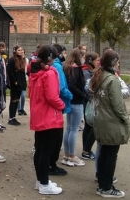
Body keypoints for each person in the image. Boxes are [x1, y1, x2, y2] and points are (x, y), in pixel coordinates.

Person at [89, 50, 129, 198]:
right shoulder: (111, 80)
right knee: (111, 155)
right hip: (111, 123)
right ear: (113, 63)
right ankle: (106, 187)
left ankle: (103, 185)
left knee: (105, 154)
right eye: (117, 61)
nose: (118, 64)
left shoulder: (100, 76)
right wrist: (126, 119)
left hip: (101, 121)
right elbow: (118, 106)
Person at [29, 45, 64, 195]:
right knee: (46, 152)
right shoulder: (49, 73)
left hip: (39, 115)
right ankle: (44, 183)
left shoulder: (34, 71)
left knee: (40, 150)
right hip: (50, 117)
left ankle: (41, 180)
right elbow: (52, 96)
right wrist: (61, 105)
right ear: (50, 58)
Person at [49, 43, 73, 176]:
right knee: (56, 137)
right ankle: (52, 164)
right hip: (57, 106)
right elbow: (62, 87)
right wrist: (70, 97)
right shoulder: (57, 66)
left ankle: (51, 163)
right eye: (64, 53)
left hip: (53, 106)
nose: (65, 55)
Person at [62, 48, 87, 166]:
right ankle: (71, 155)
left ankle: (67, 155)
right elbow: (73, 85)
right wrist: (83, 95)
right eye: (83, 57)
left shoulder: (68, 67)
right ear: (79, 57)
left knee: (69, 128)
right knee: (74, 129)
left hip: (70, 101)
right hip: (76, 102)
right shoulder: (76, 69)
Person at [81, 51, 100, 160]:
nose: (98, 62)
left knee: (89, 126)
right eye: (96, 60)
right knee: (92, 125)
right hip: (89, 101)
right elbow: (88, 88)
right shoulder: (86, 72)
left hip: (89, 101)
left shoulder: (91, 71)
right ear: (90, 61)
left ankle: (86, 150)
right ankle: (86, 150)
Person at [7, 45, 27, 125]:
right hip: (15, 84)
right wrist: (15, 81)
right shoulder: (12, 60)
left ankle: (14, 117)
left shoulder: (22, 60)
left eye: (22, 50)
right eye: (19, 50)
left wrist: (23, 83)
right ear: (15, 51)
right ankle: (11, 118)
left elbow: (22, 73)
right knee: (13, 100)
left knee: (17, 101)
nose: (21, 51)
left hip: (20, 83)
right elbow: (10, 72)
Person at [17, 48, 29, 116]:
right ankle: (18, 109)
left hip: (24, 79)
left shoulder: (26, 60)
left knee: (23, 95)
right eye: (20, 51)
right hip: (18, 79)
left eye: (23, 51)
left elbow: (27, 69)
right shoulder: (16, 60)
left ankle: (22, 108)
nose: (21, 52)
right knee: (18, 95)